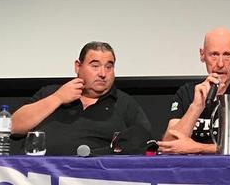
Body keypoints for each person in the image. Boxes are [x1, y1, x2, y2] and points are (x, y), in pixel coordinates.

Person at [12, 41, 153, 155]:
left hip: (93, 181)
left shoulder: (125, 104)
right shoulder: (50, 93)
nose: (103, 73)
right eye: (95, 66)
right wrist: (58, 98)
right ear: (78, 66)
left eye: (109, 67)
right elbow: (12, 127)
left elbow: (146, 145)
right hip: (37, 178)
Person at [158, 27, 230, 154]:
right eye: (214, 54)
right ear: (202, 55)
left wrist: (199, 148)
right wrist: (196, 106)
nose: (220, 64)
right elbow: (168, 145)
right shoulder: (186, 92)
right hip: (194, 171)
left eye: (227, 55)